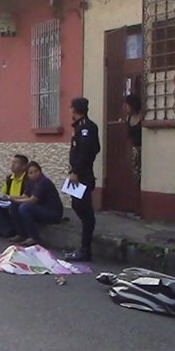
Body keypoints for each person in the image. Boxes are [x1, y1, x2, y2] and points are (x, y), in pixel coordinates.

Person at [65, 97, 101, 262]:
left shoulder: (86, 127)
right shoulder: (79, 127)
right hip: (78, 173)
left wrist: (76, 171)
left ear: (75, 109)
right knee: (76, 204)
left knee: (84, 210)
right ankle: (84, 247)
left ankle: (85, 249)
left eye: (71, 108)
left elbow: (87, 151)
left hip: (83, 175)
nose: (70, 111)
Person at [9, 161, 63, 247]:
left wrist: (16, 200)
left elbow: (32, 200)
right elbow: (24, 196)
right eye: (31, 173)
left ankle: (34, 237)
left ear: (40, 171)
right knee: (14, 205)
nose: (34, 174)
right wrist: (9, 197)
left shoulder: (43, 182)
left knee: (25, 207)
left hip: (52, 212)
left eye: (36, 171)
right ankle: (21, 234)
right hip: (40, 209)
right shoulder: (30, 182)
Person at [0, 154, 29, 240]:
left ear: (24, 166)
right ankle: (8, 231)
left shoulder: (27, 179)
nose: (12, 165)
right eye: (12, 162)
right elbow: (3, 193)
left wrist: (9, 198)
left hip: (20, 203)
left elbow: (26, 196)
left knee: (14, 206)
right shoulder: (10, 178)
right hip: (8, 203)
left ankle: (11, 231)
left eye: (16, 163)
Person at [108, 94, 142, 186]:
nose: (125, 108)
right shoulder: (128, 118)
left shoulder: (142, 117)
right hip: (133, 149)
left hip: (142, 149)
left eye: (127, 105)